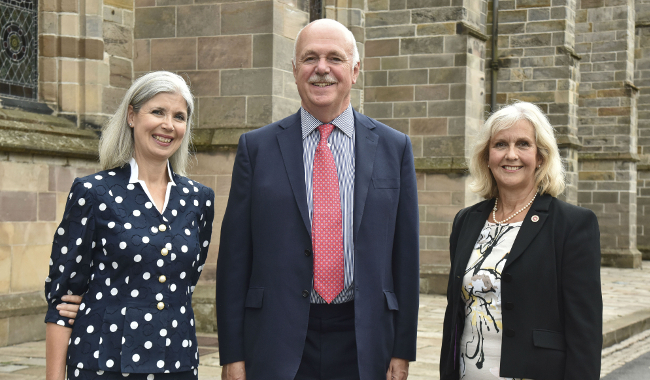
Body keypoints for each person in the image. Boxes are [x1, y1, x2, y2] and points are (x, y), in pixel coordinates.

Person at [216, 19, 420, 380]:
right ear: (294, 71)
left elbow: (405, 257)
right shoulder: (256, 148)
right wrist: (232, 354)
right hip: (277, 337)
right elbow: (235, 259)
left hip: (364, 337)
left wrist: (403, 350)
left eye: (334, 58)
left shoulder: (394, 147)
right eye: (310, 58)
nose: (321, 68)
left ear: (355, 71)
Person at [44, 71, 215, 380]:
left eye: (179, 116)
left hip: (176, 362)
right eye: (158, 112)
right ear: (132, 116)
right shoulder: (94, 192)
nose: (168, 125)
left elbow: (184, 281)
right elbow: (62, 298)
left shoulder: (198, 199)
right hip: (103, 362)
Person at [439, 102, 602, 380]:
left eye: (523, 144)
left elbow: (584, 332)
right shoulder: (466, 221)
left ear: (540, 156)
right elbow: (455, 314)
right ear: (487, 156)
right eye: (500, 144)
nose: (511, 155)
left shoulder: (571, 224)